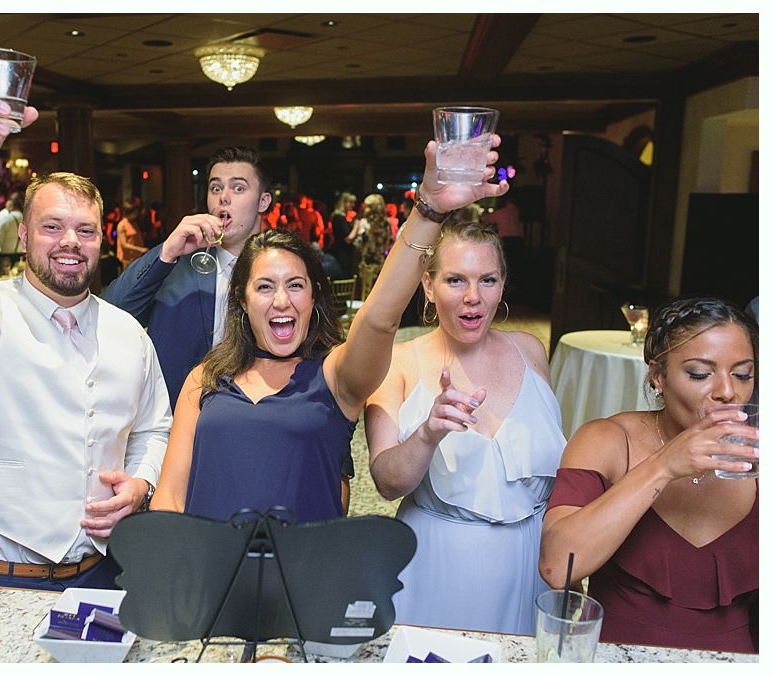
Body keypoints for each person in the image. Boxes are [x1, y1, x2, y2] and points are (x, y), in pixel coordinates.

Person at [0, 71, 171, 591]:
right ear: (23, 235)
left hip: (102, 573)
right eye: (52, 227)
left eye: (85, 230)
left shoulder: (128, 332)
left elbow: (155, 426)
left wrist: (141, 482)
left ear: (101, 239)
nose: (70, 241)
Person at [150, 141, 509, 524]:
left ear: (314, 294)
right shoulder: (204, 379)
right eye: (265, 287)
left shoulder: (334, 376)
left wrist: (429, 210)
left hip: (305, 574)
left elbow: (379, 319)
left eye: (295, 285)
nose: (281, 301)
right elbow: (170, 495)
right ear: (241, 298)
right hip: (213, 575)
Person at [364, 218, 564, 635]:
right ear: (428, 285)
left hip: (531, 562)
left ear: (503, 284)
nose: (473, 298)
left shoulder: (531, 351)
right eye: (455, 280)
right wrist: (427, 433)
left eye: (487, 280)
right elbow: (386, 482)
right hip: (438, 564)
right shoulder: (398, 362)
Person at [539, 297, 758, 653]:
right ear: (658, 376)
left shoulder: (757, 455)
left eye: (743, 374)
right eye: (700, 374)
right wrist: (664, 465)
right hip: (618, 657)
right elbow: (557, 566)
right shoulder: (607, 440)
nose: (728, 392)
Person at [103, 146, 274, 408]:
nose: (223, 198)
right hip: (179, 420)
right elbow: (110, 313)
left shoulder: (280, 270)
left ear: (263, 201)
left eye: (238, 188)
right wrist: (166, 252)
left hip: (254, 417)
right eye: (216, 189)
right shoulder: (178, 266)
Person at [326, 192, 357, 277]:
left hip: (342, 252)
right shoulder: (339, 218)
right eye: (350, 202)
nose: (353, 205)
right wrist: (357, 226)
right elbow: (348, 239)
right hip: (342, 253)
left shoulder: (340, 217)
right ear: (344, 202)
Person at [116, 201, 149, 267]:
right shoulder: (122, 225)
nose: (136, 214)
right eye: (134, 212)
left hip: (137, 257)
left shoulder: (134, 222)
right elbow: (124, 244)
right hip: (128, 258)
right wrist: (140, 249)